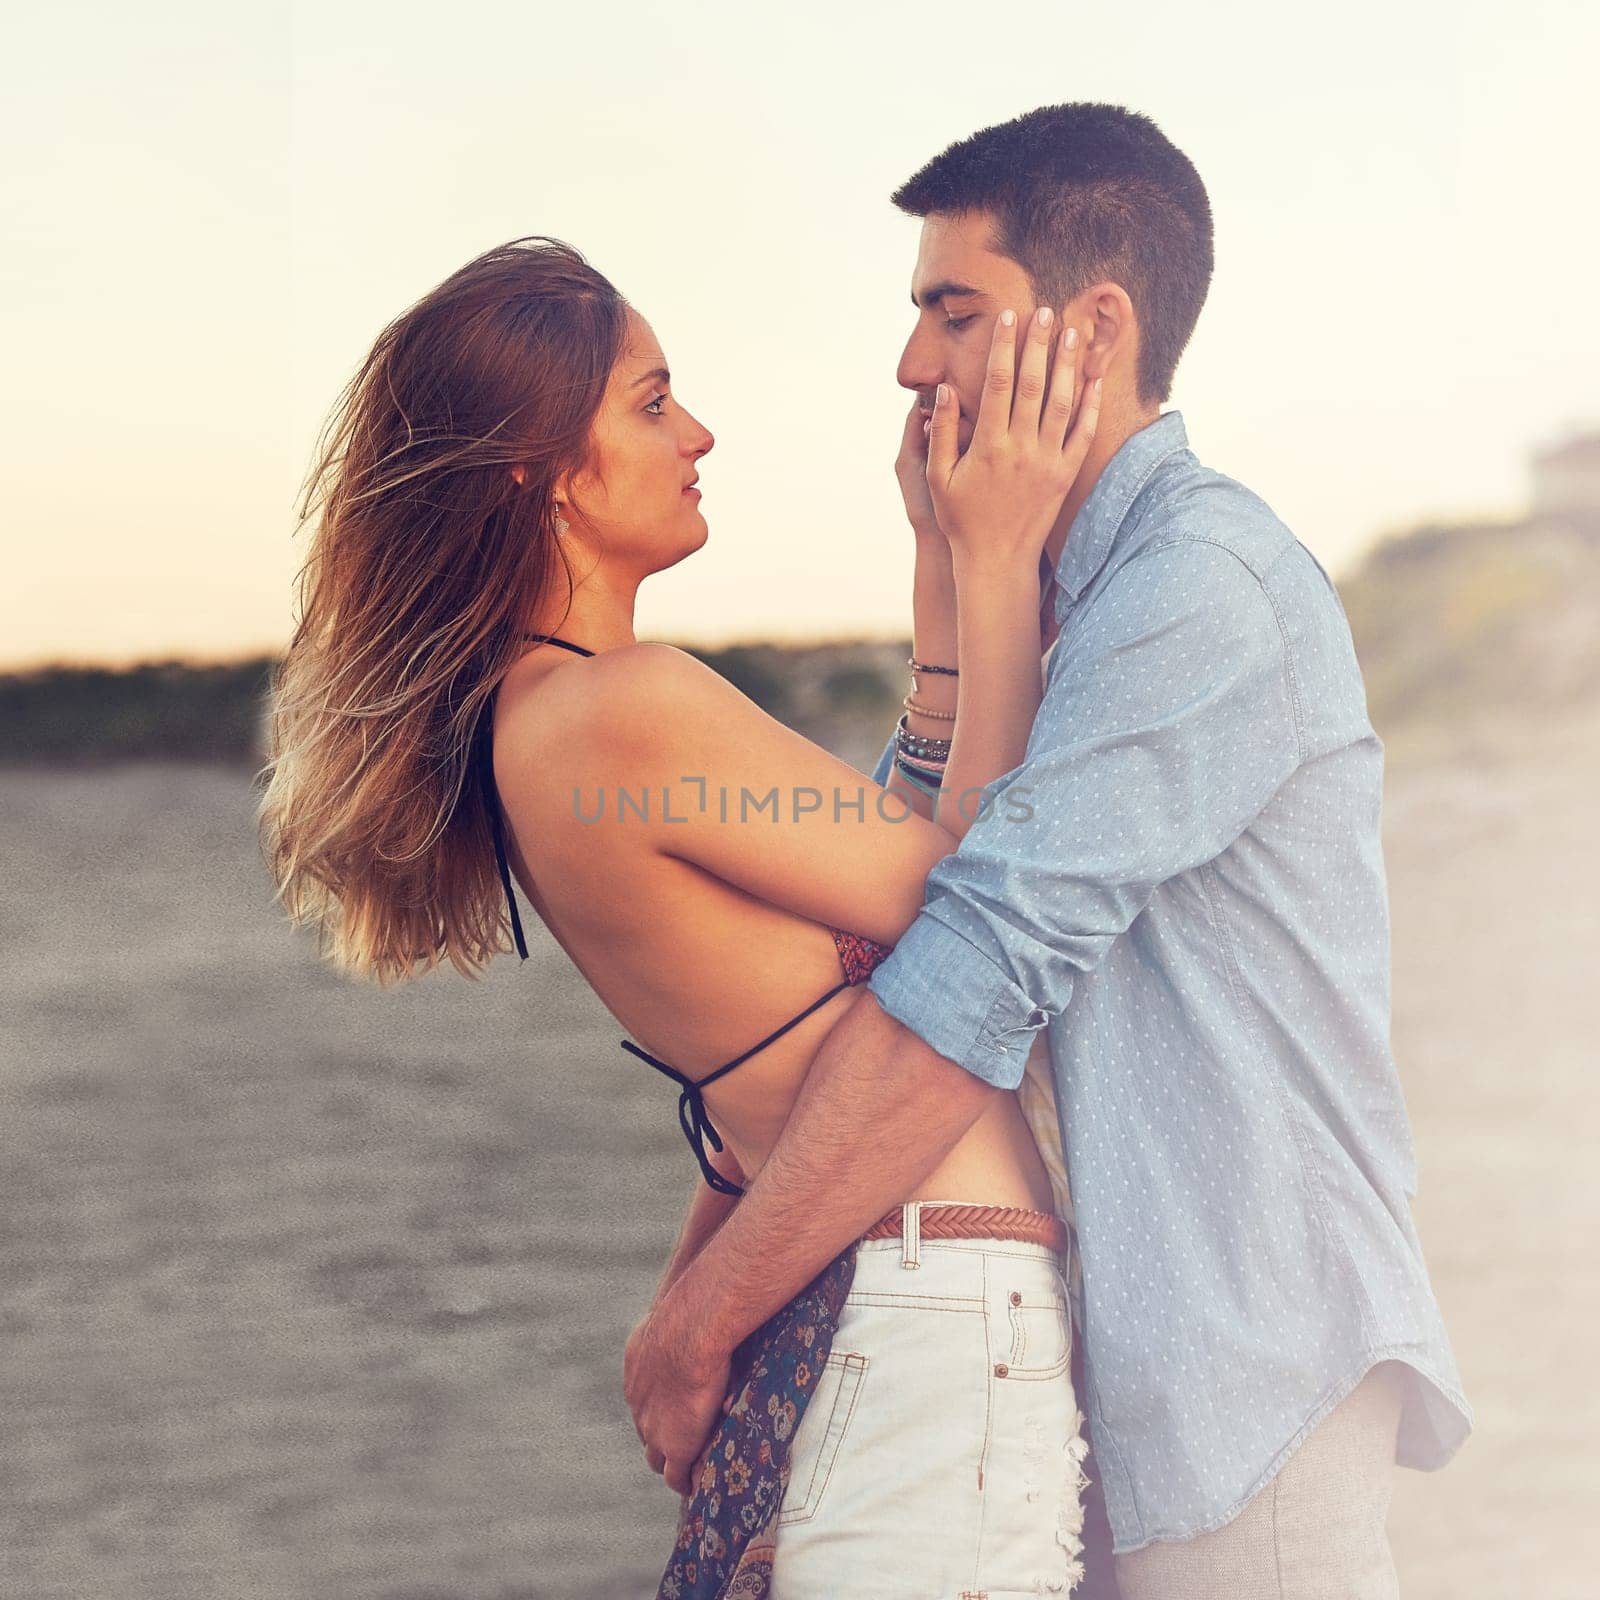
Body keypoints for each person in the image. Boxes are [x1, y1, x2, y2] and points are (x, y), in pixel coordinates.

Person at [624, 103, 1473, 1600]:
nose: (909, 365)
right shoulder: (1061, 593)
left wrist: (705, 1317)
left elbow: (968, 978)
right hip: (1102, 1383)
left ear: (1093, 328)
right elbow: (885, 912)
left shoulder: (1198, 592)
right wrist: (954, 583)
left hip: (1239, 1383)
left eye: (953, 312)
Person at [258, 235, 1104, 1596]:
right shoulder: (625, 705)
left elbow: (875, 899)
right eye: (651, 404)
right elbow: (977, 907)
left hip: (876, 1296)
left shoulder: (551, 720)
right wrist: (993, 556)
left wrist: (940, 577)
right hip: (928, 1299)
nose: (696, 432)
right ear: (540, 468)